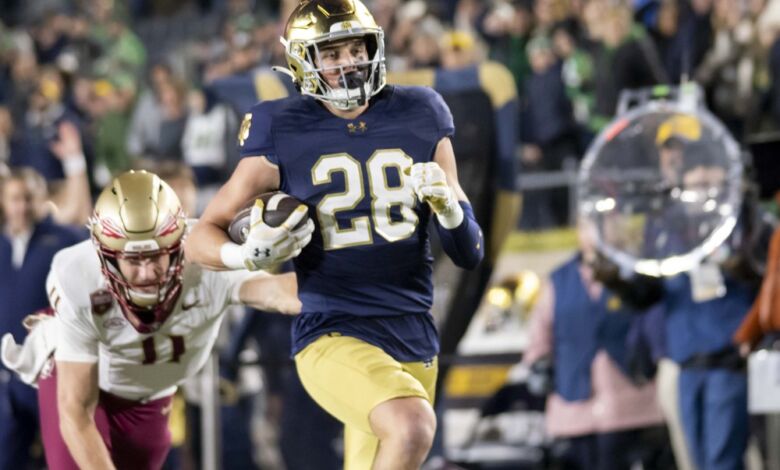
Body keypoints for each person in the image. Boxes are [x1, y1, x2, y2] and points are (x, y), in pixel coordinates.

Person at [185, 0, 485, 468]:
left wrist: (449, 210)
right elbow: (201, 233)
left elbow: (469, 252)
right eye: (332, 53)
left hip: (414, 332)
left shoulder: (420, 110)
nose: (348, 63)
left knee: (396, 441)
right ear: (305, 61)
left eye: (355, 48)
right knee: (412, 427)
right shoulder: (282, 126)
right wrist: (243, 256)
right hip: (332, 328)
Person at [1, 170, 300, 470]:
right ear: (107, 256)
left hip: (152, 395)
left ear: (177, 244)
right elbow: (76, 413)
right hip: (84, 378)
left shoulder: (204, 256)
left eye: (157, 256)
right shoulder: (79, 276)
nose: (146, 273)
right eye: (132, 260)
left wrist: (335, 291)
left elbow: (274, 293)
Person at [0, 167, 85, 469]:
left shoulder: (66, 240)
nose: (21, 206)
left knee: (61, 458)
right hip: (6, 379)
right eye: (14, 198)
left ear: (41, 200)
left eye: (28, 198)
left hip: (52, 374)